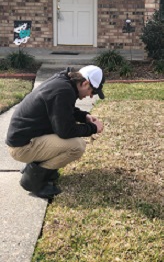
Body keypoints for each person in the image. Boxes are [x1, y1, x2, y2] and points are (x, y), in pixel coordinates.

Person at [6, 65, 105, 199]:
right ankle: (33, 181)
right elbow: (66, 131)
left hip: (25, 139)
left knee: (67, 140)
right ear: (85, 83)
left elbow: (63, 109)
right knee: (77, 146)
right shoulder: (64, 91)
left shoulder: (63, 82)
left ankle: (36, 166)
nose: (91, 95)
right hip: (22, 148)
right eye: (92, 91)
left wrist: (84, 117)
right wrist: (93, 129)